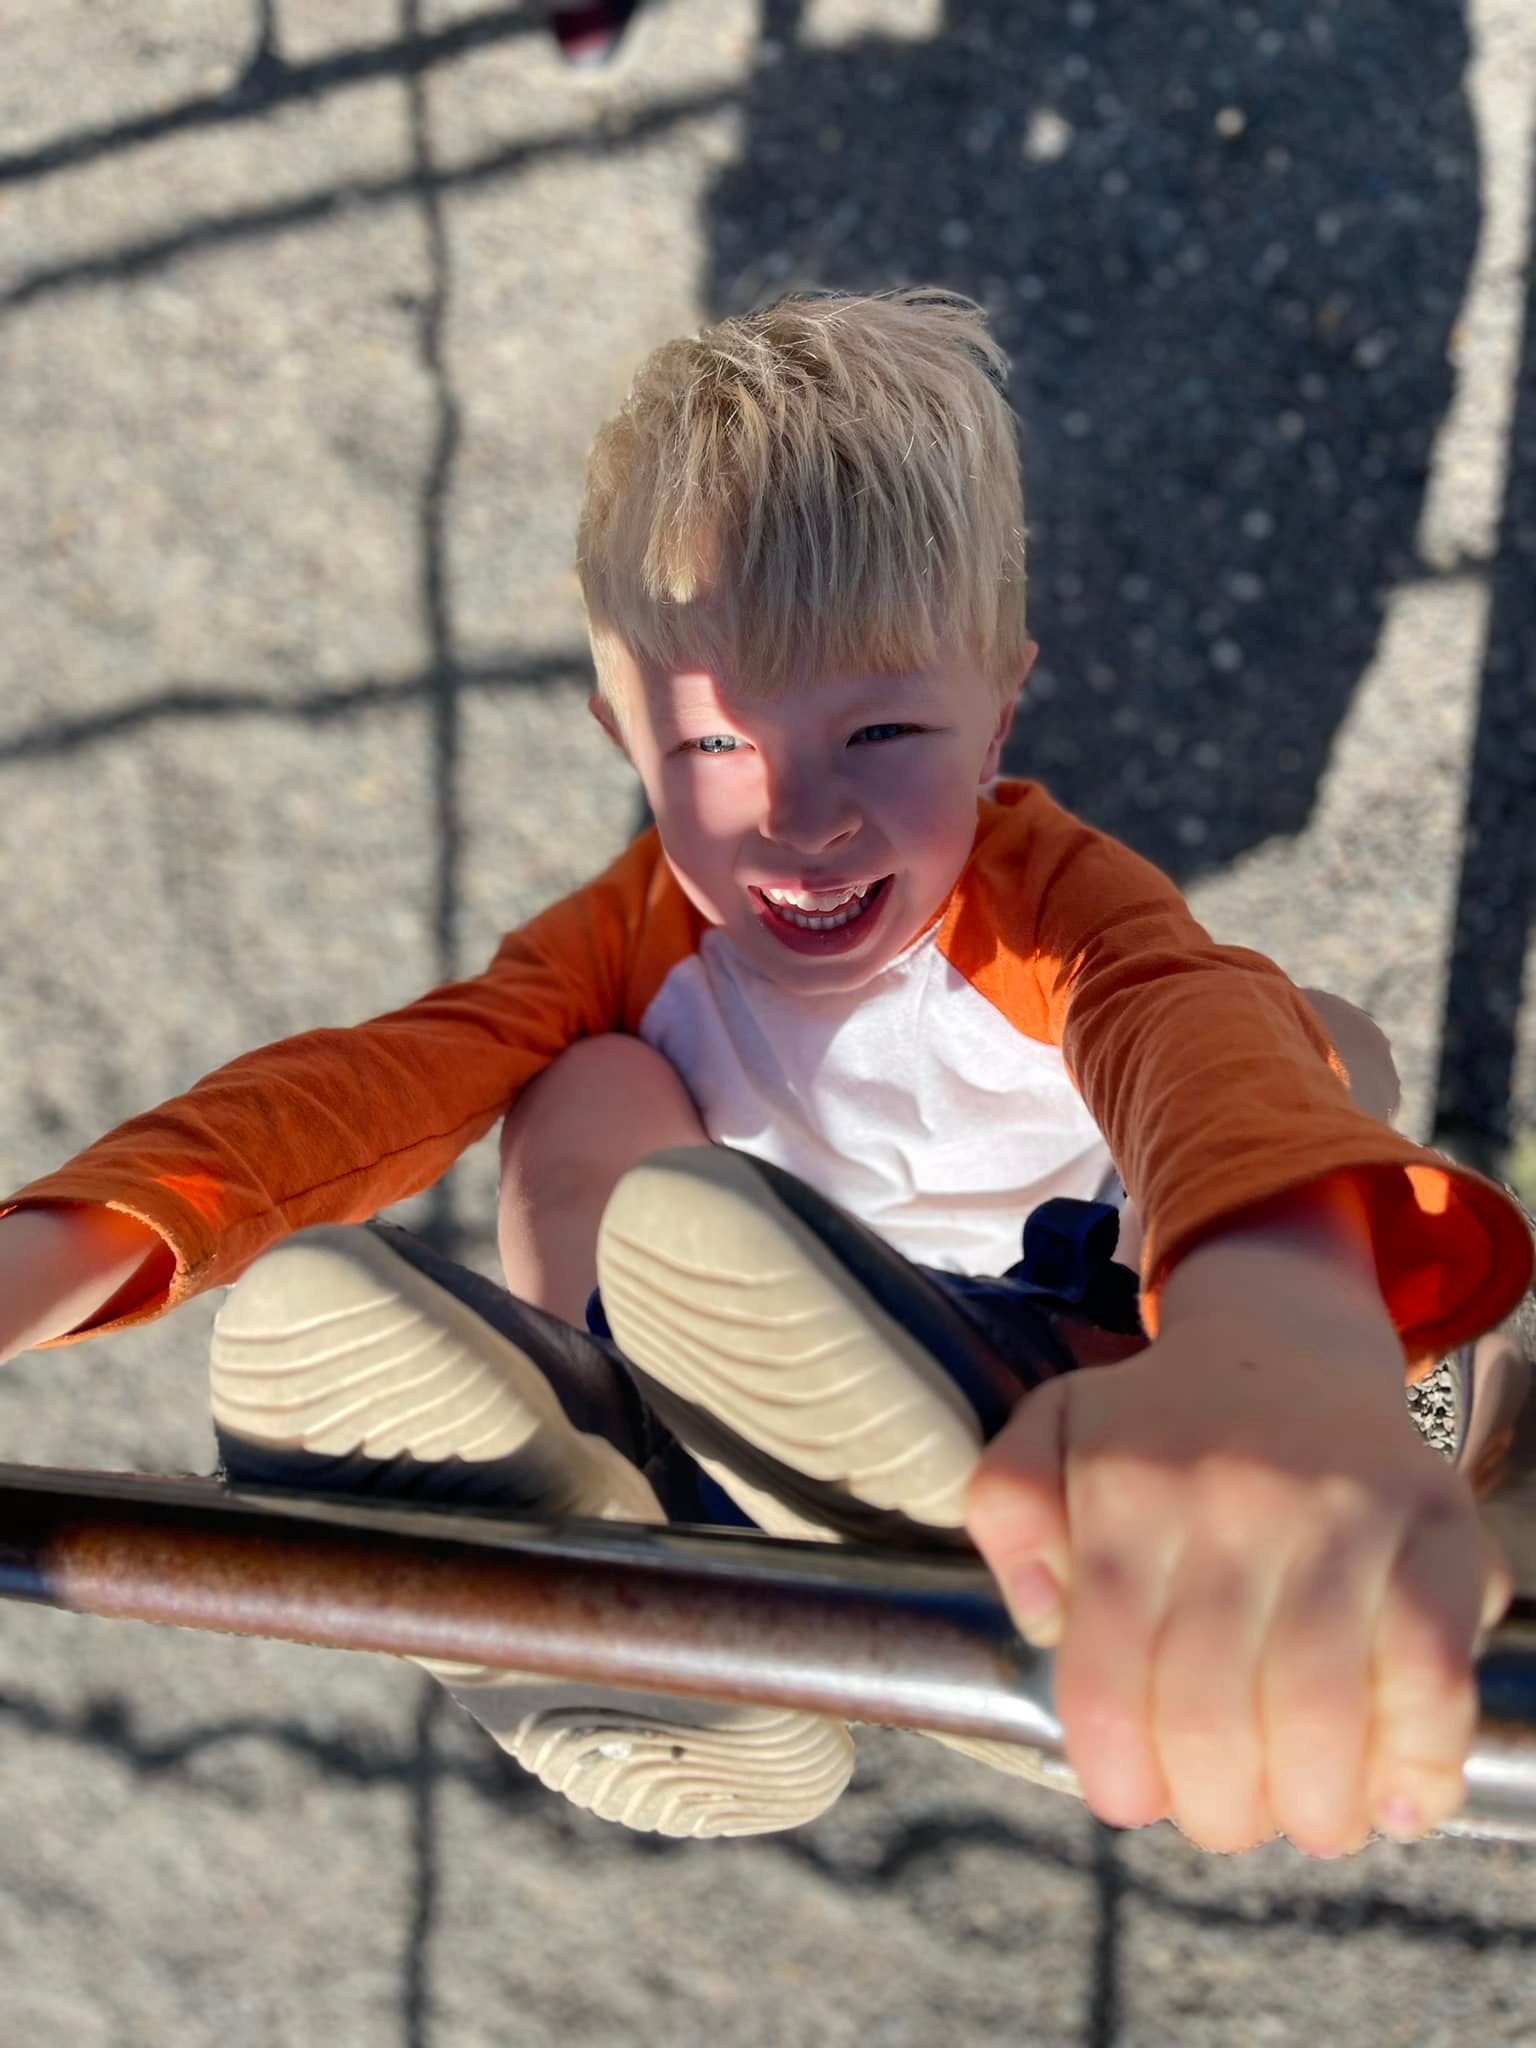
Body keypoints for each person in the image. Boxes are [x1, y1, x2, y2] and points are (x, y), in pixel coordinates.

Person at [2, 289, 1531, 1855]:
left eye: (880, 733)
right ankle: (651, 1492)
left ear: (1001, 706)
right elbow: (372, 1088)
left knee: (1308, 1041)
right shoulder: (631, 936)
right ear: (625, 739)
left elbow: (1181, 1034)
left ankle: (1236, 1463)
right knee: (580, 1092)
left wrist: (1266, 1331)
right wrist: (52, 1253)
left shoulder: (1049, 905)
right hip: (791, 1350)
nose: (800, 821)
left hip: (1109, 1332)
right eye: (718, 750)